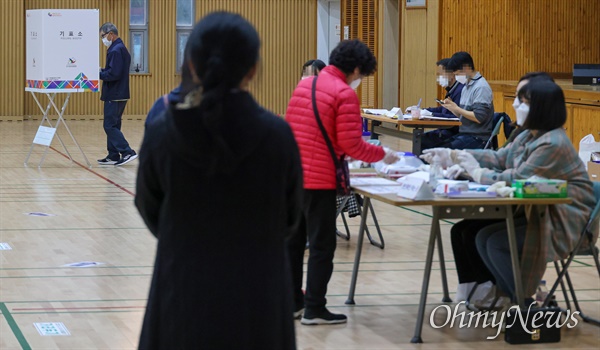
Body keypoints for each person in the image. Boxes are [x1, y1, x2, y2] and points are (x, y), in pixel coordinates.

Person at [135, 12, 301, 349]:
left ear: (192, 65)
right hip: (259, 298)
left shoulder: (163, 133)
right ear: (253, 68)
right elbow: (290, 218)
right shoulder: (278, 136)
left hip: (182, 291)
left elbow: (149, 208)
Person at [423, 79, 597, 306]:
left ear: (541, 107)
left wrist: (477, 173)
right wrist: (458, 155)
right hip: (536, 211)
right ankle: (495, 293)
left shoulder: (553, 142)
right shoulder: (529, 134)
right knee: (473, 231)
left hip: (563, 222)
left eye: (522, 101)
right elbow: (500, 158)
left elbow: (518, 178)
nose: (516, 105)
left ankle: (522, 301)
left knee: (495, 242)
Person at [286, 39, 399, 325]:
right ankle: (315, 308)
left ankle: (292, 302)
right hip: (320, 179)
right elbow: (351, 144)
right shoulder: (344, 94)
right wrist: (383, 155)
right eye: (361, 75)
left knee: (294, 242)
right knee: (322, 246)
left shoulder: (304, 85)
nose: (359, 80)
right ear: (357, 68)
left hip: (292, 176)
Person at [97, 22, 137, 166]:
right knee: (114, 124)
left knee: (109, 126)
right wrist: (103, 70)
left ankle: (127, 152)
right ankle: (113, 155)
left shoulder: (115, 50)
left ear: (111, 34)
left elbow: (113, 74)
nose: (103, 39)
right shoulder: (120, 48)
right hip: (120, 93)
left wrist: (99, 73)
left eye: (103, 35)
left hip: (115, 93)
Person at [438, 51, 494, 150]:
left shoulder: (481, 87)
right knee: (435, 145)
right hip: (464, 134)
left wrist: (457, 109)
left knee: (443, 151)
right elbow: (463, 116)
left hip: (478, 138)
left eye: (458, 74)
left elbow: (478, 117)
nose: (457, 77)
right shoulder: (466, 87)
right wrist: (452, 107)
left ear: (466, 68)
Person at [420, 58, 465, 150]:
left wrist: (432, 115)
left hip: (454, 132)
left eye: (441, 74)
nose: (439, 77)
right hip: (447, 130)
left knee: (423, 140)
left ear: (452, 73)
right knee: (422, 138)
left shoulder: (460, 91)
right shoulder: (451, 90)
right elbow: (443, 109)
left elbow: (454, 116)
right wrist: (424, 110)